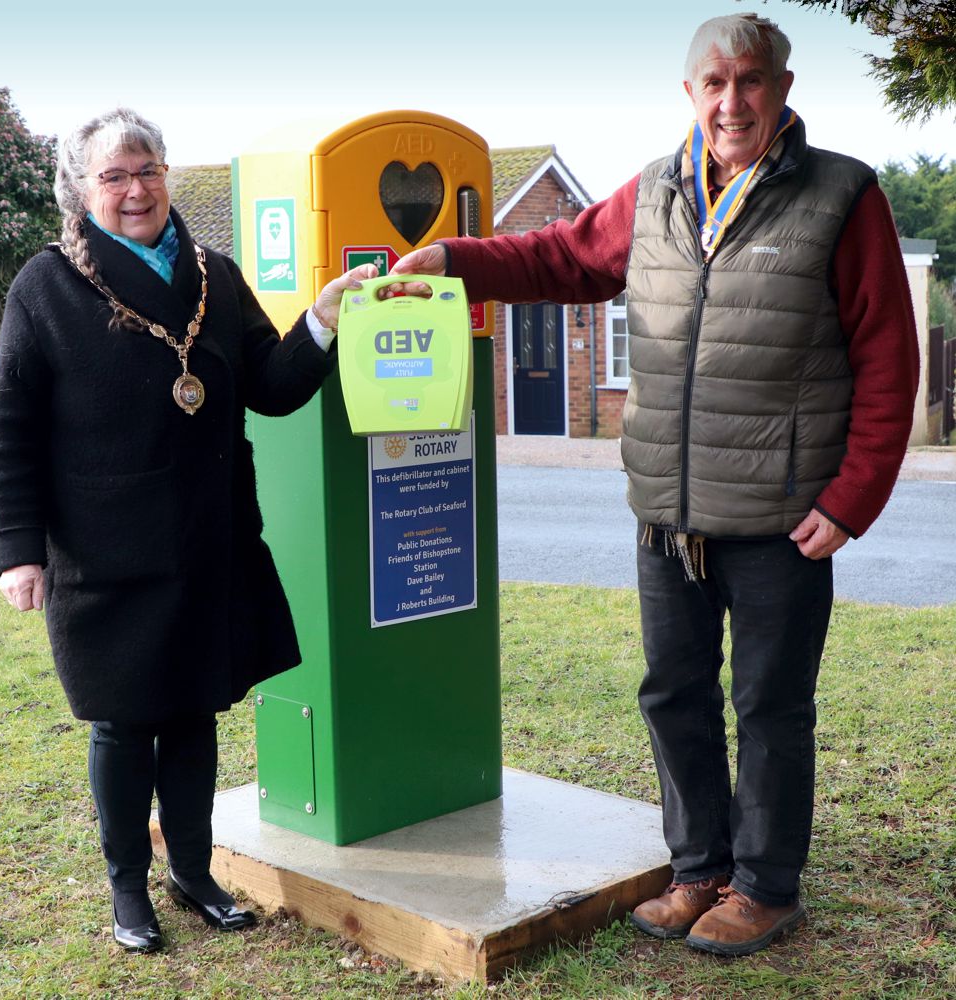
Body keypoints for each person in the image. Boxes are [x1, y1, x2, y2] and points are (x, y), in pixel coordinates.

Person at [391, 13, 919, 957]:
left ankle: (764, 886)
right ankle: (698, 871)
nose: (731, 102)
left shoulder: (843, 194)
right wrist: (456, 260)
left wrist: (852, 498)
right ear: (690, 95)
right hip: (666, 518)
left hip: (781, 516)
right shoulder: (657, 191)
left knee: (769, 707)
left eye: (750, 83)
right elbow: (559, 255)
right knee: (673, 694)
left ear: (783, 91)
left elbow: (887, 355)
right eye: (713, 85)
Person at [0, 107, 376, 954]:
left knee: (196, 713)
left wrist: (322, 321)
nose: (135, 190)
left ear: (168, 174)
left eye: (148, 169)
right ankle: (129, 887)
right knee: (125, 724)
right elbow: (11, 427)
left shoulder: (215, 274)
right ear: (83, 191)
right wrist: (16, 549)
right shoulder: (45, 286)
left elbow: (271, 386)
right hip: (105, 550)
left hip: (210, 541)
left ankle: (192, 871)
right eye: (115, 176)